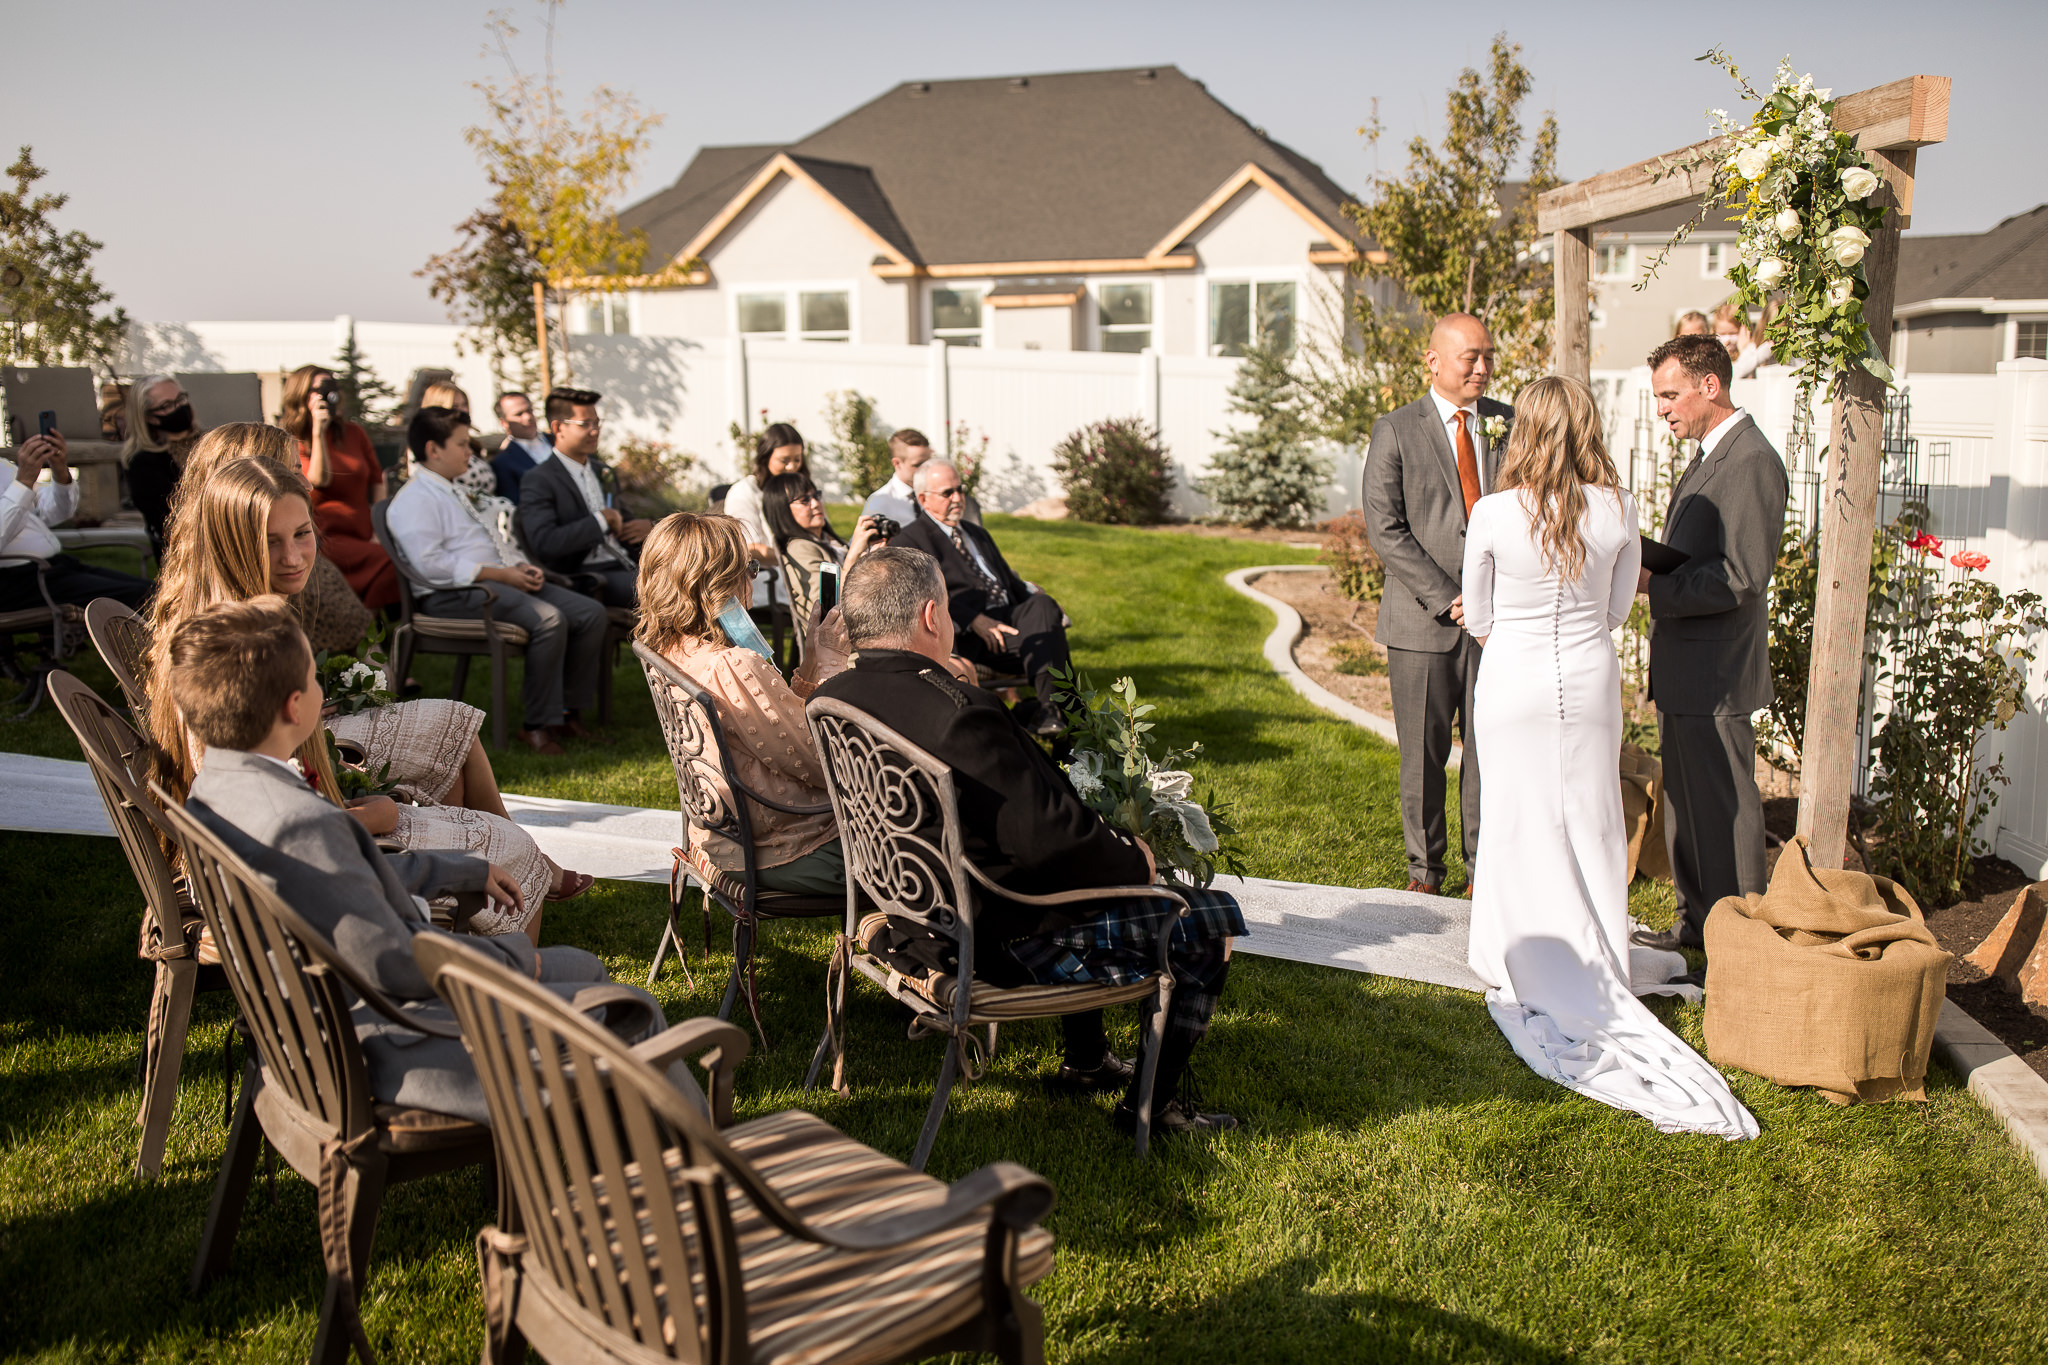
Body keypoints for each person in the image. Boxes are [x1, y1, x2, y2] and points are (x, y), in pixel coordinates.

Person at [170, 599, 657, 1126]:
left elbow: (335, 885)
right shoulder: (302, 823)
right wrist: (516, 962)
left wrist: (460, 870)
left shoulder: (214, 788)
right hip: (392, 1046)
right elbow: (395, 964)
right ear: (295, 707)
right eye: (315, 680)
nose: (321, 692)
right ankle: (685, 1178)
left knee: (583, 976)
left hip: (318, 1027)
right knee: (624, 1001)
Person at [817, 547, 1245, 1136]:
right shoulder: (961, 714)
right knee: (1211, 919)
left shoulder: (834, 697)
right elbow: (1055, 848)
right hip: (994, 937)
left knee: (1089, 880)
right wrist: (1133, 860)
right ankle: (1155, 1110)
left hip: (907, 914)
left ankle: (1088, 1063)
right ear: (929, 618)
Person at [1460, 376, 1756, 1139]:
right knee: (1590, 816)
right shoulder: (1619, 509)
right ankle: (1599, 940)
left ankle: (1504, 945)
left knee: (1516, 812)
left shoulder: (1493, 512)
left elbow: (1481, 615)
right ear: (1588, 427)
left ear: (1523, 431)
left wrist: (1512, 631)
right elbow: (1621, 608)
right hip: (1588, 679)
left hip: (1514, 680)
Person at [145, 453, 592, 936]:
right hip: (302, 873)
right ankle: (502, 984)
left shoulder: (246, 615)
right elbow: (262, 822)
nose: (294, 556)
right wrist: (376, 817)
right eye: (270, 542)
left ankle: (467, 948)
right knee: (510, 845)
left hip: (315, 830)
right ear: (234, 544)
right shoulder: (232, 643)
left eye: (301, 534)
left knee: (455, 740)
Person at [1635, 334, 1790, 981]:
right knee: (1688, 811)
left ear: (1710, 385)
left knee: (1725, 812)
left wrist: (1655, 586)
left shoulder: (1751, 460)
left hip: (1719, 673)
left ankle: (1741, 949)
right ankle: (1697, 926)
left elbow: (1742, 576)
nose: (1663, 410)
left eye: (1670, 396)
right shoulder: (1708, 456)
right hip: (1688, 671)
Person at [1361, 312, 1511, 895]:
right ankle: (1425, 871)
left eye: (1488, 356)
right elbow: (1386, 529)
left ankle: (1484, 869)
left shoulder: (1509, 424)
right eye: (1470, 356)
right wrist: (1451, 599)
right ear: (1433, 362)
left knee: (1489, 750)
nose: (1482, 367)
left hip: (1497, 622)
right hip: (1423, 622)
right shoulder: (1396, 430)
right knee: (1423, 757)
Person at [635, 512, 855, 893]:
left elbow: (782, 728)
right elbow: (830, 764)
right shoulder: (732, 665)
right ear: (719, 582)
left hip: (719, 833)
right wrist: (834, 666)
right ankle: (888, 937)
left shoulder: (670, 649)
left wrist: (812, 660)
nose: (754, 575)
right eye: (749, 567)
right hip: (781, 845)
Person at [386, 406, 610, 751]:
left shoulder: (453, 489)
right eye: (462, 444)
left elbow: (490, 542)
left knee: (590, 613)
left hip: (496, 582)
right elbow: (431, 565)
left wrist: (518, 568)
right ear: (433, 450)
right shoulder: (415, 498)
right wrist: (499, 575)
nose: (470, 453)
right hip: (453, 595)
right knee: (549, 620)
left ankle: (566, 713)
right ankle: (536, 724)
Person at [891, 459, 1071, 736]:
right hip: (973, 636)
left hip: (1011, 617)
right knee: (1049, 640)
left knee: (1043, 608)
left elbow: (1010, 583)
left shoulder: (976, 533)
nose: (958, 498)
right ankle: (1054, 718)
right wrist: (974, 619)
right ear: (923, 498)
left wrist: (1042, 603)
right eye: (948, 493)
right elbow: (923, 599)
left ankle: (1048, 713)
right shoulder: (911, 542)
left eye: (960, 490)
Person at [169, 423, 373, 654]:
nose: (308, 485)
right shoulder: (242, 639)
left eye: (301, 533)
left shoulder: (207, 591)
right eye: (293, 474)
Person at [519, 387, 649, 606]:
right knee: (669, 592)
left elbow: (625, 522)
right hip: (586, 576)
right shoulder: (539, 479)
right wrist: (601, 520)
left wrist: (650, 527)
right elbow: (546, 543)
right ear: (558, 428)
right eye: (585, 424)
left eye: (597, 423)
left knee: (695, 580)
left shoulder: (603, 472)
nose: (595, 431)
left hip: (626, 564)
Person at [283, 363, 399, 611]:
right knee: (389, 563)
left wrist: (378, 528)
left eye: (331, 388)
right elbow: (315, 482)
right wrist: (318, 432)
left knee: (397, 560)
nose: (328, 395)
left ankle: (362, 625)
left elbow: (377, 480)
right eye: (319, 390)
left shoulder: (353, 433)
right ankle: (367, 630)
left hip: (363, 533)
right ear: (302, 395)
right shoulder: (291, 439)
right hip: (325, 538)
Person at [1, 426, 153, 614]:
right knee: (143, 595)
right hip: (19, 581)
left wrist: (59, 471)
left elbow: (55, 513)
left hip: (54, 567)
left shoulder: (3, 467)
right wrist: (23, 482)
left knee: (158, 590)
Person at [762, 470, 883, 633]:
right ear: (782, 510)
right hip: (841, 647)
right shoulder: (799, 548)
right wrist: (854, 553)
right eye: (804, 500)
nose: (815, 503)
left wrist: (871, 554)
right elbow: (826, 608)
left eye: (816, 495)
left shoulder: (825, 540)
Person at [120, 375, 206, 552]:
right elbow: (172, 524)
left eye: (181, 399)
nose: (179, 407)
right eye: (167, 405)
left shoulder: (211, 442)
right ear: (150, 418)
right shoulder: (145, 465)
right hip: (189, 553)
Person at [865, 427, 982, 529]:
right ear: (897, 463)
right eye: (918, 465)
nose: (927, 469)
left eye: (929, 462)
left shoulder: (941, 494)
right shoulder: (880, 502)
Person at [724, 422, 807, 566]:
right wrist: (802, 557)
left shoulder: (804, 489)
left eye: (797, 459)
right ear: (765, 458)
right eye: (784, 460)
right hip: (767, 578)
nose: (792, 467)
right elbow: (750, 549)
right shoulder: (744, 492)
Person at [490, 391, 551, 504]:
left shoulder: (557, 440)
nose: (528, 417)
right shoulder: (503, 462)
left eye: (529, 411)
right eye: (519, 414)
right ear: (504, 422)